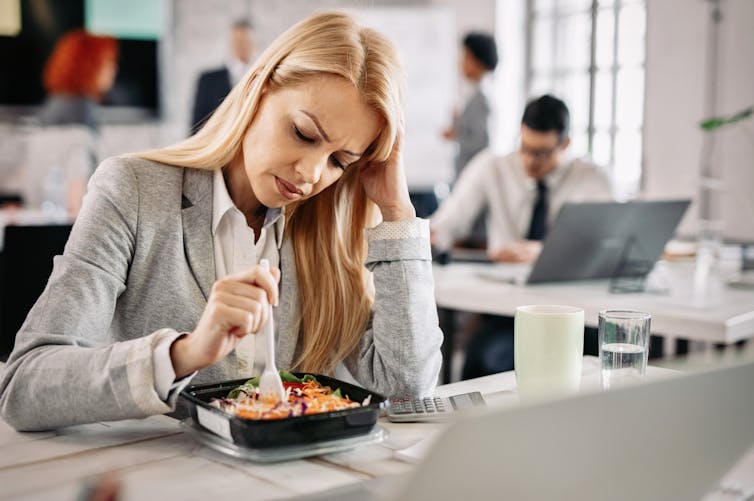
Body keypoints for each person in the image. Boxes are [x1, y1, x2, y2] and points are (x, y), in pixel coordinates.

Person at [0, 12, 443, 431]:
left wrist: (398, 213)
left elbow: (407, 389)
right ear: (259, 90)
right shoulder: (132, 189)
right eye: (304, 134)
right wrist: (183, 353)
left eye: (339, 161)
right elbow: (25, 385)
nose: (311, 174)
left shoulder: (329, 231)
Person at [431, 94, 614, 379]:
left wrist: (544, 251)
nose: (529, 161)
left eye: (542, 153)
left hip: (575, 312)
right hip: (507, 311)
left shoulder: (591, 178)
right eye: (524, 148)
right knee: (486, 355)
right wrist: (425, 235)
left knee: (599, 362)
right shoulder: (493, 166)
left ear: (565, 144)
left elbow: (609, 243)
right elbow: (447, 222)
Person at [441, 32, 498, 181]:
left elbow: (481, 141)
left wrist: (455, 135)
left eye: (466, 57)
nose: (461, 62)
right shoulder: (472, 92)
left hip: (473, 176)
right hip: (466, 173)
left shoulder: (482, 98)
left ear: (477, 61)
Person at [38, 29, 118, 133]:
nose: (114, 68)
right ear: (89, 66)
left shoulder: (60, 100)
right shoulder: (79, 107)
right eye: (109, 61)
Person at [191, 20, 255, 134]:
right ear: (230, 43)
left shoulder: (263, 78)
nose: (241, 46)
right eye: (237, 41)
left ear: (254, 43)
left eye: (246, 41)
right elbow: (196, 126)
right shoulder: (208, 80)